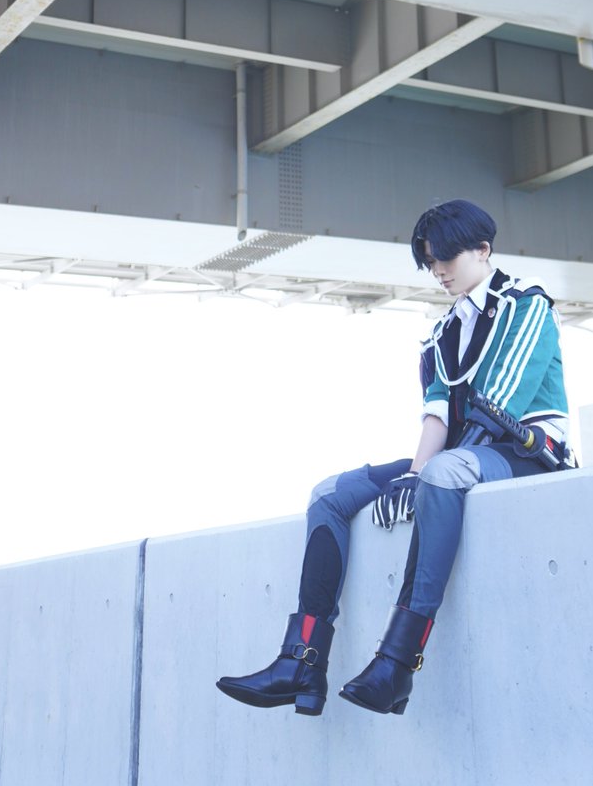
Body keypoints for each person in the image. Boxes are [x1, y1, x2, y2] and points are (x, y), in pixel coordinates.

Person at [216, 199, 572, 717]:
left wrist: (429, 474)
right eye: (430, 262)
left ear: (482, 249)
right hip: (460, 456)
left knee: (444, 471)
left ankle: (398, 665)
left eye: (446, 258)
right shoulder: (443, 331)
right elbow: (437, 413)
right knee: (330, 495)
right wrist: (413, 473)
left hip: (525, 452)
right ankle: (302, 661)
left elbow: (501, 406)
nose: (438, 271)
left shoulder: (526, 305)